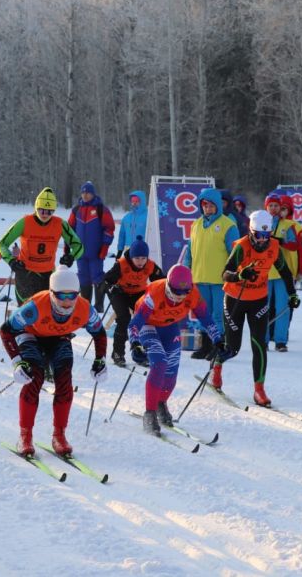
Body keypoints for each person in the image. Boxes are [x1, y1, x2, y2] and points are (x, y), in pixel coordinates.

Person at [0, 266, 107, 456]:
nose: (67, 302)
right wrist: (17, 361)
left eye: (72, 296)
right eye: (61, 296)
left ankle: (59, 435)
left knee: (64, 379)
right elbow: (6, 330)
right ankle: (25, 436)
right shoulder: (34, 307)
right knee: (34, 377)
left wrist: (100, 359)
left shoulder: (84, 309)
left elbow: (99, 333)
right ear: (51, 293)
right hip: (30, 335)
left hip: (59, 337)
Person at [128, 265, 227, 436]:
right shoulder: (154, 295)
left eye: (185, 292)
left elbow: (206, 318)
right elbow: (135, 323)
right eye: (176, 291)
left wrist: (218, 340)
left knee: (172, 371)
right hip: (148, 325)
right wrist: (134, 344)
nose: (180, 296)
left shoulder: (193, 293)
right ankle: (150, 413)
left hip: (169, 326)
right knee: (159, 363)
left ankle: (161, 403)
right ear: (168, 286)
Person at [215, 211, 300, 407]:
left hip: (259, 300)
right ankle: (217, 367)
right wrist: (240, 275)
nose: (263, 240)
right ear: (251, 232)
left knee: (259, 344)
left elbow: (285, 272)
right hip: (235, 299)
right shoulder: (242, 247)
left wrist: (292, 294)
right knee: (232, 348)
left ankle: (259, 389)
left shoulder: (273, 247)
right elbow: (225, 274)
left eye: (267, 235)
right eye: (259, 236)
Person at [0, 187, 84, 305]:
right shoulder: (25, 222)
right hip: (25, 274)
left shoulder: (59, 224)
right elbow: (2, 244)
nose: (45, 214)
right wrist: (11, 261)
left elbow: (78, 245)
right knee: (27, 313)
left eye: (50, 211)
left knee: (46, 313)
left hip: (47, 275)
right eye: (42, 210)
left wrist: (71, 256)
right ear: (36, 207)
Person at [184, 188, 239, 360]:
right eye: (204, 205)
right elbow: (189, 250)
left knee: (217, 314)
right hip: (199, 277)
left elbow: (235, 252)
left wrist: (234, 273)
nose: (208, 208)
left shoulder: (228, 225)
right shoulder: (196, 224)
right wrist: (187, 269)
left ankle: (219, 346)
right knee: (202, 313)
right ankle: (205, 346)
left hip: (219, 279)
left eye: (211, 205)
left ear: (218, 206)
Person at [100, 236, 163, 367]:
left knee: (145, 319)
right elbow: (106, 280)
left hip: (138, 294)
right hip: (120, 293)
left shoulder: (150, 266)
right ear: (131, 257)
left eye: (143, 258)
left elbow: (162, 282)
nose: (140, 262)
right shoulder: (122, 264)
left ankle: (140, 353)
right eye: (137, 258)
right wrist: (110, 287)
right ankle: (118, 353)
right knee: (124, 319)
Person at [262, 193, 302, 352]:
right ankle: (263, 339)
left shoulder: (288, 224)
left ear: (281, 208)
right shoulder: (260, 223)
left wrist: (280, 241)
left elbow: (294, 245)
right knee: (262, 308)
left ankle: (280, 340)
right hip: (264, 271)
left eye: (276, 206)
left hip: (282, 272)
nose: (273, 209)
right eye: (270, 206)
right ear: (266, 208)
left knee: (283, 307)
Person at [67, 181, 115, 312]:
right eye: (83, 192)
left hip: (96, 252)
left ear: (93, 194)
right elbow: (69, 230)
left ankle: (99, 305)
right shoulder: (76, 210)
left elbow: (109, 229)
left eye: (88, 192)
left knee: (97, 276)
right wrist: (67, 247)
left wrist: (105, 247)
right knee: (83, 277)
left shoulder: (101, 209)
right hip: (80, 252)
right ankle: (85, 305)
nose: (85, 195)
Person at [116, 190, 148, 259]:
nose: (134, 203)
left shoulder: (149, 216)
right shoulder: (126, 217)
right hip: (128, 250)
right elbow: (122, 235)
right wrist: (120, 250)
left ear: (142, 202)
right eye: (133, 201)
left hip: (143, 250)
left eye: (137, 201)